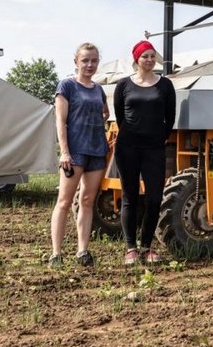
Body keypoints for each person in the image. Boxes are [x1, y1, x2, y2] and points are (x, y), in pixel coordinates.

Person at [113, 39, 177, 266]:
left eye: (152, 56)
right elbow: (120, 116)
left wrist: (158, 137)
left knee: (154, 197)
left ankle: (147, 247)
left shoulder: (165, 85)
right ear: (136, 59)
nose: (149, 60)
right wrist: (133, 134)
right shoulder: (123, 85)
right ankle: (131, 248)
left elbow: (170, 118)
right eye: (145, 56)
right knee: (129, 197)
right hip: (127, 147)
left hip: (154, 148)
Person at [49, 42, 109, 268]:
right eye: (85, 60)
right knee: (64, 202)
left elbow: (106, 112)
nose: (90, 64)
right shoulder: (66, 86)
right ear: (76, 61)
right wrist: (64, 152)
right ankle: (56, 253)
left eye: (94, 60)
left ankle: (82, 251)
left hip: (96, 151)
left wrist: (95, 126)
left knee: (87, 200)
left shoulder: (98, 89)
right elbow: (60, 121)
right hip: (74, 153)